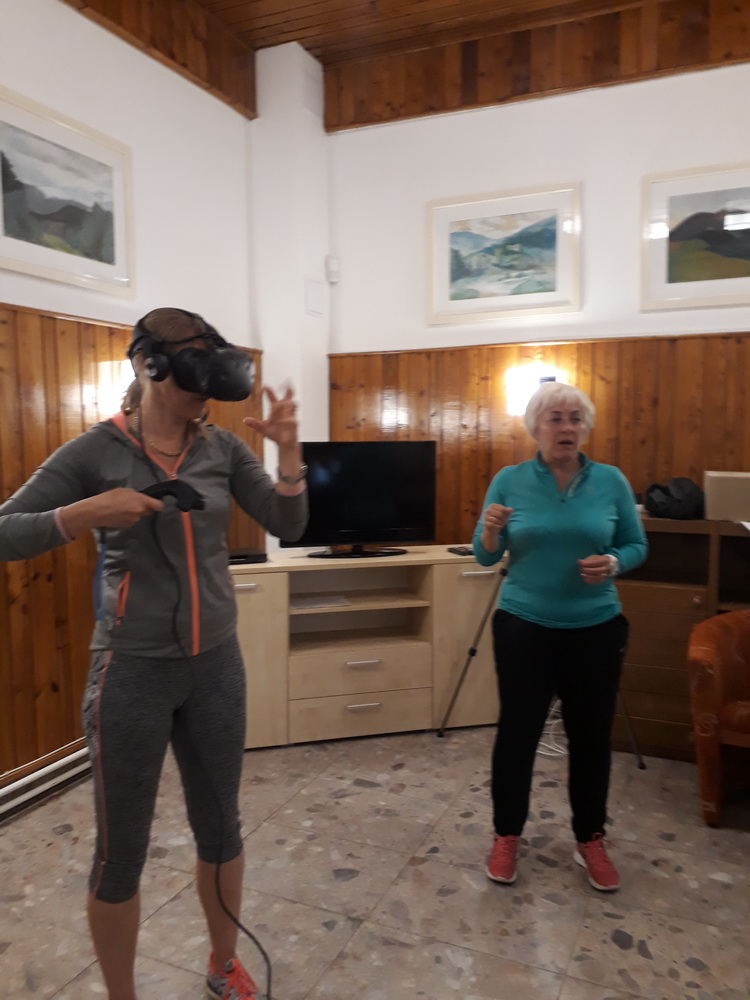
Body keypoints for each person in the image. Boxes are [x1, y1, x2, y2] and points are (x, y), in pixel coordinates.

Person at [0, 308, 308, 1000]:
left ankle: (223, 964)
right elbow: (4, 531)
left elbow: (288, 523)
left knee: (221, 828)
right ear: (150, 365)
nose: (205, 394)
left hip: (215, 666)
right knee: (122, 852)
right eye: (194, 375)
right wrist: (84, 513)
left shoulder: (222, 449)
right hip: (130, 673)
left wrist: (289, 456)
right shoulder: (94, 452)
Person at [472, 380, 647, 892]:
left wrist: (613, 562)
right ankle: (506, 835)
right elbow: (484, 555)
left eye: (575, 418)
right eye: (555, 418)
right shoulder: (509, 480)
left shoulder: (610, 480)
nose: (567, 427)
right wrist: (489, 531)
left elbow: (636, 545)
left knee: (591, 739)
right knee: (517, 735)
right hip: (524, 626)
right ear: (536, 427)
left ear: (584, 427)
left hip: (596, 628)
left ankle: (590, 838)